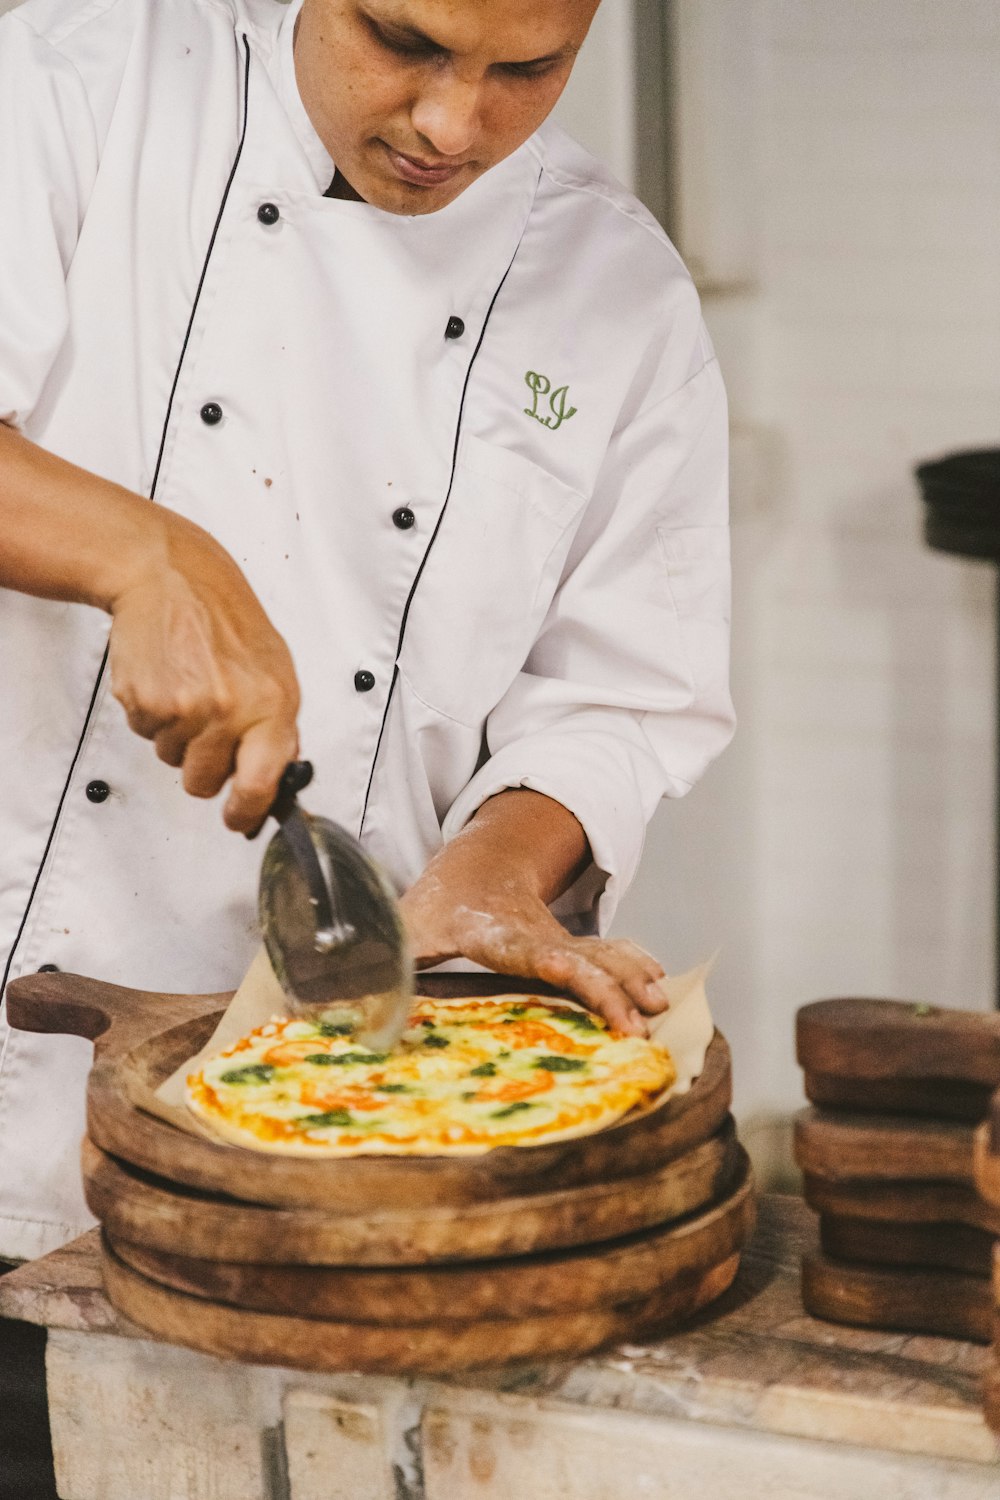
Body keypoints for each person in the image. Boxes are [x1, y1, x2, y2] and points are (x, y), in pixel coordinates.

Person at [0, 0, 734, 1263]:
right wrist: (147, 554)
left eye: (528, 69)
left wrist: (494, 873)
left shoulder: (615, 287)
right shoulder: (72, 88)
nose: (454, 123)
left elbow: (623, 698)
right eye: (403, 43)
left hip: (348, 1143)